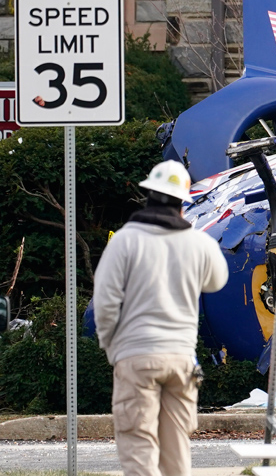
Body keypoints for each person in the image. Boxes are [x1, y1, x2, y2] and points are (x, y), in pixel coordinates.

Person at [93, 160, 229, 476]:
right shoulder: (198, 242)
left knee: (138, 442)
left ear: (149, 195)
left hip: (135, 355)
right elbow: (217, 281)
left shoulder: (126, 240)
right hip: (181, 359)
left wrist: (111, 347)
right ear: (183, 203)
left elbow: (105, 300)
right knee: (176, 446)